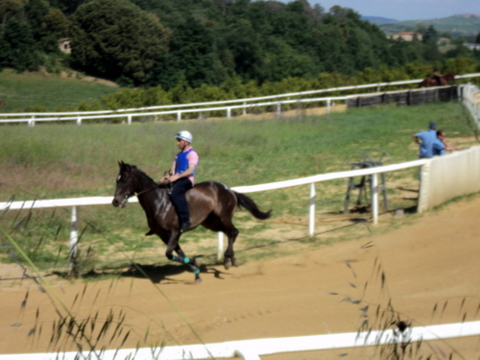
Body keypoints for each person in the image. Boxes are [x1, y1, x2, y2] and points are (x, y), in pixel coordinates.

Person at [160, 130, 199, 233]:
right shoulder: (177, 156)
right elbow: (173, 170)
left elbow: (190, 170)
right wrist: (167, 176)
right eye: (177, 140)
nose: (177, 143)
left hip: (186, 180)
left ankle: (185, 220)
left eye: (179, 141)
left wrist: (177, 177)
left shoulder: (192, 154)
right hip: (177, 178)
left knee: (175, 193)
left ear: (186, 142)